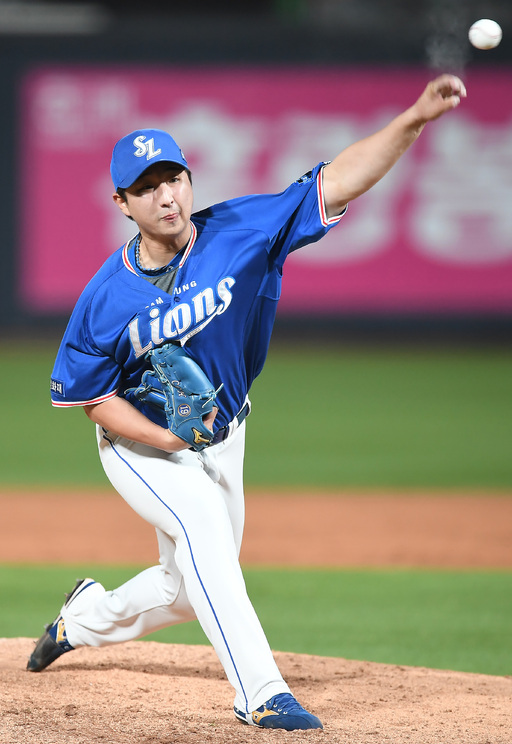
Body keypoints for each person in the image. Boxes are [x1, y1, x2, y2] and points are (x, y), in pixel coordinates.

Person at [27, 74, 466, 731]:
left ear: (189, 180)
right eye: (146, 187)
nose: (165, 195)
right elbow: (93, 398)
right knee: (202, 524)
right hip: (140, 443)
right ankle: (260, 692)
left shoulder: (243, 230)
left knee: (185, 588)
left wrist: (415, 118)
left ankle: (83, 618)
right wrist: (166, 439)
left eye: (173, 178)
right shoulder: (104, 298)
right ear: (121, 202)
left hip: (225, 431)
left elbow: (339, 182)